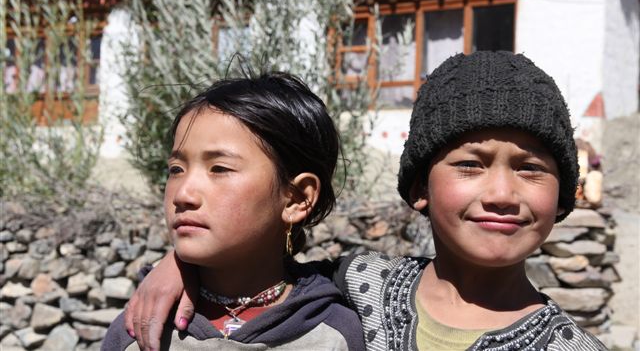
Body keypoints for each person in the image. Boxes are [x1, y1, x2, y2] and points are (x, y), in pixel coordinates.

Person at [123, 52, 607, 351]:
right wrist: (180, 263)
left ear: (562, 194)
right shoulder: (365, 285)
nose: (502, 194)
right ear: (420, 187)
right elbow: (252, 253)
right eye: (470, 164)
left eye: (530, 168)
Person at [102, 72, 365, 350]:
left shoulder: (331, 335)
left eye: (220, 169)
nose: (183, 194)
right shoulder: (139, 329)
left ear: (296, 199)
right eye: (176, 170)